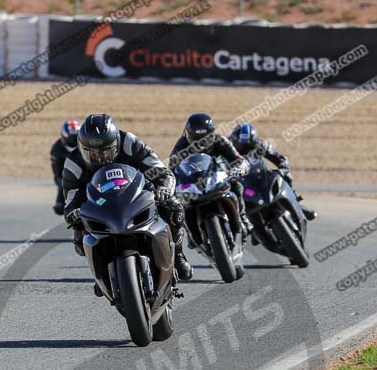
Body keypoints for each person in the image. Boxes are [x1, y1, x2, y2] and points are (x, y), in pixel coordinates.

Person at [62, 114, 193, 282]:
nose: (99, 157)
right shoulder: (73, 163)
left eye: (105, 151)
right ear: (81, 148)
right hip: (99, 203)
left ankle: (178, 254)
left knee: (174, 209)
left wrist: (164, 189)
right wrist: (73, 213)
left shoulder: (130, 143)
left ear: (116, 143)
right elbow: (71, 196)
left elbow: (160, 171)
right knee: (80, 237)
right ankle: (102, 275)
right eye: (92, 153)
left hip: (137, 193)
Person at [169, 112, 253, 235]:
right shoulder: (180, 148)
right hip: (194, 183)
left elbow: (239, 160)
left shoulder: (220, 141)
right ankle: (190, 234)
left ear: (212, 134)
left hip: (216, 176)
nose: (200, 143)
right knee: (179, 204)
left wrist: (238, 169)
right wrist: (172, 187)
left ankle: (243, 217)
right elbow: (171, 172)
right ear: (188, 135)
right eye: (196, 138)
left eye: (205, 138)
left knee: (237, 186)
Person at [229, 122, 316, 221]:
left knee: (283, 176)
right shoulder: (226, 151)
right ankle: (241, 221)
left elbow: (279, 158)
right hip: (245, 187)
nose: (246, 149)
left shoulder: (260, 145)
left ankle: (295, 203)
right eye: (242, 146)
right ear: (234, 143)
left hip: (261, 178)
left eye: (249, 146)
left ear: (255, 141)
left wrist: (283, 169)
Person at [50, 120, 80, 215]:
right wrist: (62, 181)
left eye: (75, 138)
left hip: (85, 172)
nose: (73, 141)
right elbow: (57, 172)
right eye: (71, 139)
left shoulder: (85, 145)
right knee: (60, 208)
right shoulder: (56, 149)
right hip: (67, 175)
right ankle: (62, 202)